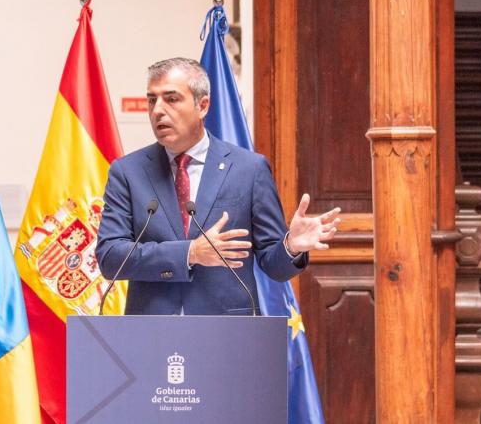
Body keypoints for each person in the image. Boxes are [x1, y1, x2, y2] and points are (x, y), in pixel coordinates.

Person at [95, 57, 340, 315]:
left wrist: (291, 246)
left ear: (202, 106)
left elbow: (275, 267)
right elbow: (111, 257)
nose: (158, 110)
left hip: (227, 330)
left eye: (171, 99)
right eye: (152, 100)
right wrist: (190, 252)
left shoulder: (249, 169)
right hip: (152, 329)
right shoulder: (128, 172)